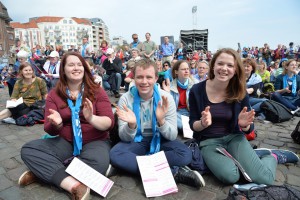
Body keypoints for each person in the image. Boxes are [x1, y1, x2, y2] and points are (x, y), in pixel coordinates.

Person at [189, 48, 298, 185]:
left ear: (235, 70)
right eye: (220, 63)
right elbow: (192, 124)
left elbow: (249, 127)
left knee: (265, 179)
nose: (224, 68)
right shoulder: (197, 90)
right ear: (213, 66)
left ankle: (273, 157)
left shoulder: (240, 91)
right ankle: (252, 158)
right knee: (230, 177)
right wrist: (203, 123)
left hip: (234, 137)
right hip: (209, 142)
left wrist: (244, 125)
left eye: (230, 65)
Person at [19, 52, 114, 200]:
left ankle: (43, 172)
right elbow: (48, 129)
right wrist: (57, 124)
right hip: (66, 142)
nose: (76, 68)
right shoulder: (54, 94)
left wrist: (91, 118)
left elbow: (109, 122)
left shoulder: (97, 90)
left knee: (98, 164)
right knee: (28, 150)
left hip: (95, 141)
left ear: (84, 68)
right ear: (63, 70)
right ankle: (73, 186)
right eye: (71, 65)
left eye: (79, 65)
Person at [110, 59, 205, 189]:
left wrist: (161, 121)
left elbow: (171, 136)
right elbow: (124, 137)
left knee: (185, 154)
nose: (144, 82)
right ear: (134, 79)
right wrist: (132, 125)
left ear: (155, 78)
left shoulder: (166, 98)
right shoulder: (126, 99)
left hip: (161, 140)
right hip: (137, 141)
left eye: (149, 77)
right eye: (140, 77)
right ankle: (174, 173)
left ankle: (132, 165)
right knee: (115, 154)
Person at [162, 60, 195, 133]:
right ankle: (189, 128)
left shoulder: (195, 84)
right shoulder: (170, 86)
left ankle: (187, 128)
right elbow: (169, 108)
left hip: (191, 112)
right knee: (167, 115)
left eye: (187, 69)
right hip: (177, 113)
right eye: (183, 69)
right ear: (176, 72)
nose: (186, 71)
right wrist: (167, 93)